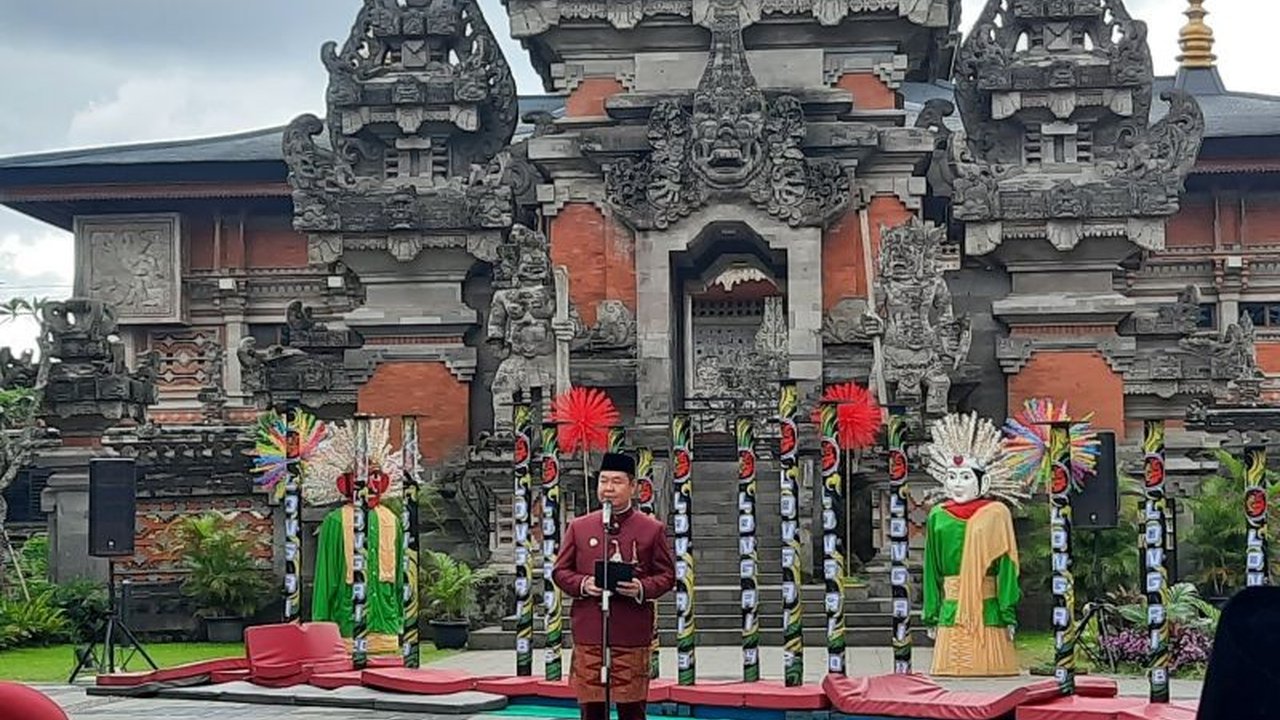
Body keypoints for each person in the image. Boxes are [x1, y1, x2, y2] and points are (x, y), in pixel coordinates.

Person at [553, 452, 676, 720]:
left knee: (632, 709)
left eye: (616, 482)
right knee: (591, 710)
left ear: (633, 487)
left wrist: (641, 588)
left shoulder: (651, 529)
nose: (608, 489)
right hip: (590, 632)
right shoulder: (579, 527)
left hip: (631, 632)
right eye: (603, 481)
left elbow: (667, 576)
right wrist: (584, 584)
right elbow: (560, 572)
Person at [920, 412, 1022, 677]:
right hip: (951, 601)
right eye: (952, 477)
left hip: (987, 604)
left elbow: (1008, 567)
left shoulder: (997, 513)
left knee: (988, 671)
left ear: (983, 482)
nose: (957, 484)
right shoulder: (938, 515)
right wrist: (931, 611)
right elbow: (930, 568)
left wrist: (1007, 611)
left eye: (965, 477)